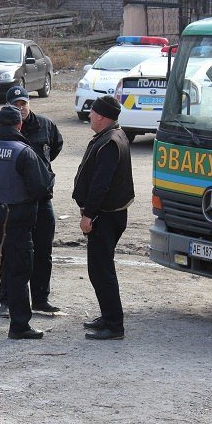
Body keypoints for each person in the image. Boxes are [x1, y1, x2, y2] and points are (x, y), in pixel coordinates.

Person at [0, 86, 64, 316]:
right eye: (15, 105)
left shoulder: (45, 125)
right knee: (11, 255)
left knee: (42, 249)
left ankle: (40, 298)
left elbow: (55, 148)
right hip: (10, 204)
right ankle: (8, 301)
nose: (20, 108)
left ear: (29, 103)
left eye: (23, 103)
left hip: (40, 200)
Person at [72, 95, 134, 340]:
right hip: (108, 215)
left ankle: (114, 325)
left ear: (101, 116)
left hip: (105, 217)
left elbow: (101, 185)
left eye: (92, 112)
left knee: (101, 271)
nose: (89, 116)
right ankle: (108, 316)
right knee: (100, 269)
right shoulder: (113, 136)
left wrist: (88, 215)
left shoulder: (110, 142)